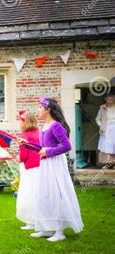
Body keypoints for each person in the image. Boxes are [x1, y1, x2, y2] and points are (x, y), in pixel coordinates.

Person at [31, 97, 84, 242]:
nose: (38, 110)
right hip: (45, 165)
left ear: (48, 110)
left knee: (55, 193)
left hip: (54, 164)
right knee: (44, 193)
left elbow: (66, 146)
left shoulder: (56, 126)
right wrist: (26, 144)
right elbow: (42, 147)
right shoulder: (42, 127)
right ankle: (46, 228)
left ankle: (59, 232)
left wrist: (48, 153)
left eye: (40, 107)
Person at [16, 111, 40, 230]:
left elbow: (23, 156)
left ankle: (30, 220)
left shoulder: (24, 136)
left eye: (21, 121)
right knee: (37, 192)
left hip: (29, 166)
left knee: (28, 191)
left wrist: (18, 158)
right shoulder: (39, 133)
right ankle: (39, 218)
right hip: (40, 166)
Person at [96, 94, 115, 168]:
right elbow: (97, 119)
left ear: (113, 100)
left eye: (110, 100)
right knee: (106, 147)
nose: (108, 101)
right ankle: (107, 164)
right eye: (107, 100)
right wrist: (101, 126)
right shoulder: (102, 107)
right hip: (106, 128)